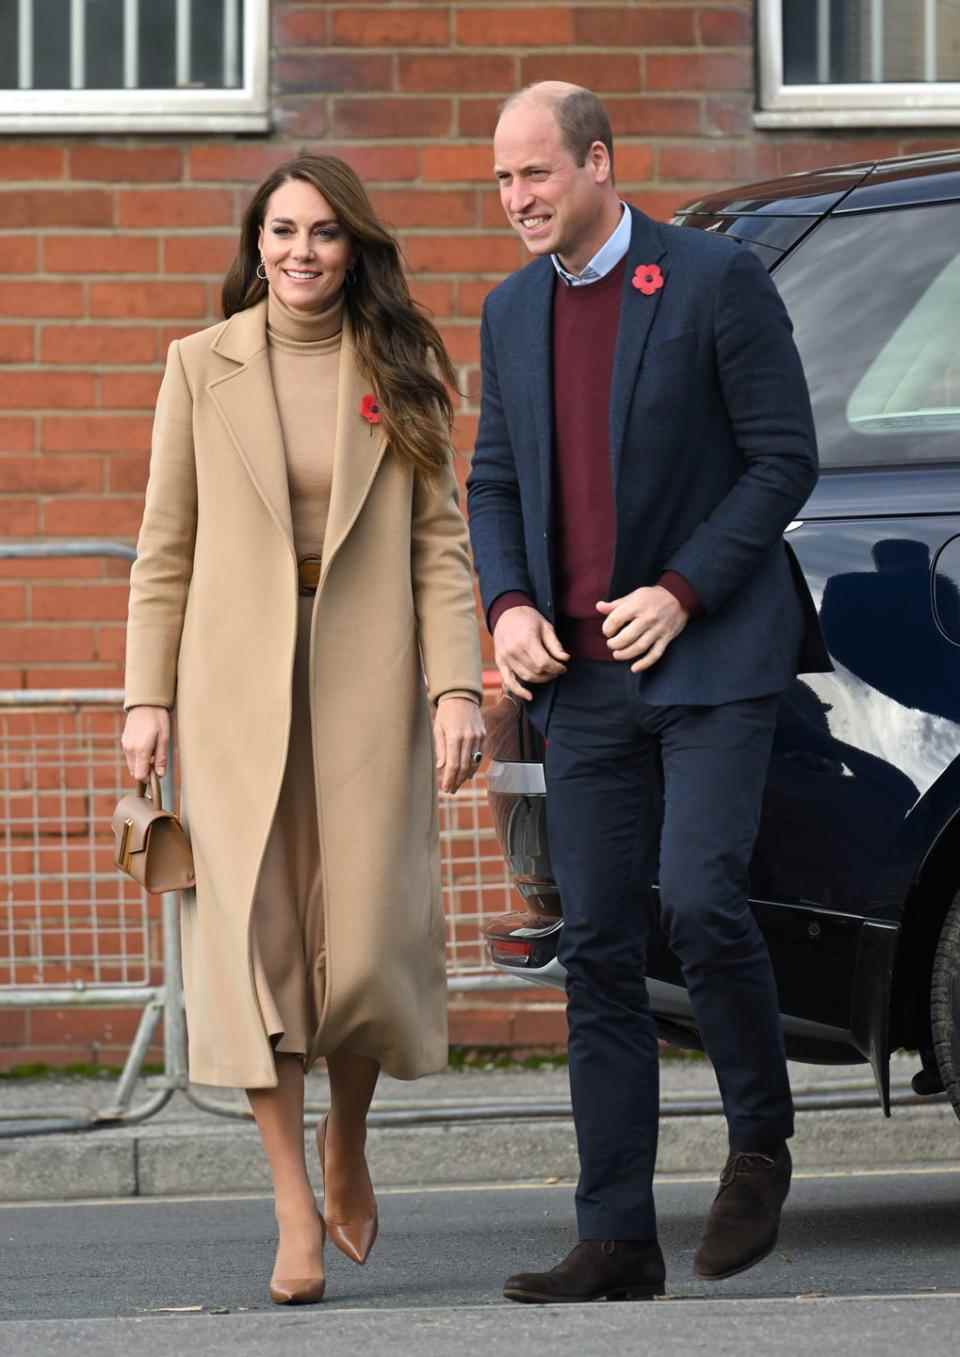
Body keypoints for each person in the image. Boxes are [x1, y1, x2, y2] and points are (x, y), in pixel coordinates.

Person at [467, 83, 831, 1303]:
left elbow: (786, 456)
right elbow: (496, 483)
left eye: (536, 175)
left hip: (712, 651)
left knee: (704, 896)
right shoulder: (510, 311)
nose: (517, 200)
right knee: (600, 945)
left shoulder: (712, 282)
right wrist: (509, 605)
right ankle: (616, 1233)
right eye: (503, 181)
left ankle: (758, 1144)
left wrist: (680, 588)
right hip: (581, 677)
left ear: (601, 163)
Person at [121, 155, 484, 1306]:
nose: (301, 252)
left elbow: (440, 543)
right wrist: (145, 700)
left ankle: (348, 1137)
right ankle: (291, 1201)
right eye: (282, 231)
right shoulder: (199, 367)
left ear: (354, 246)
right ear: (257, 241)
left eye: (325, 233)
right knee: (258, 946)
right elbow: (162, 548)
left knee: (367, 934)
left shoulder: (401, 364)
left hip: (370, 674)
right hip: (234, 688)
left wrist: (458, 687)